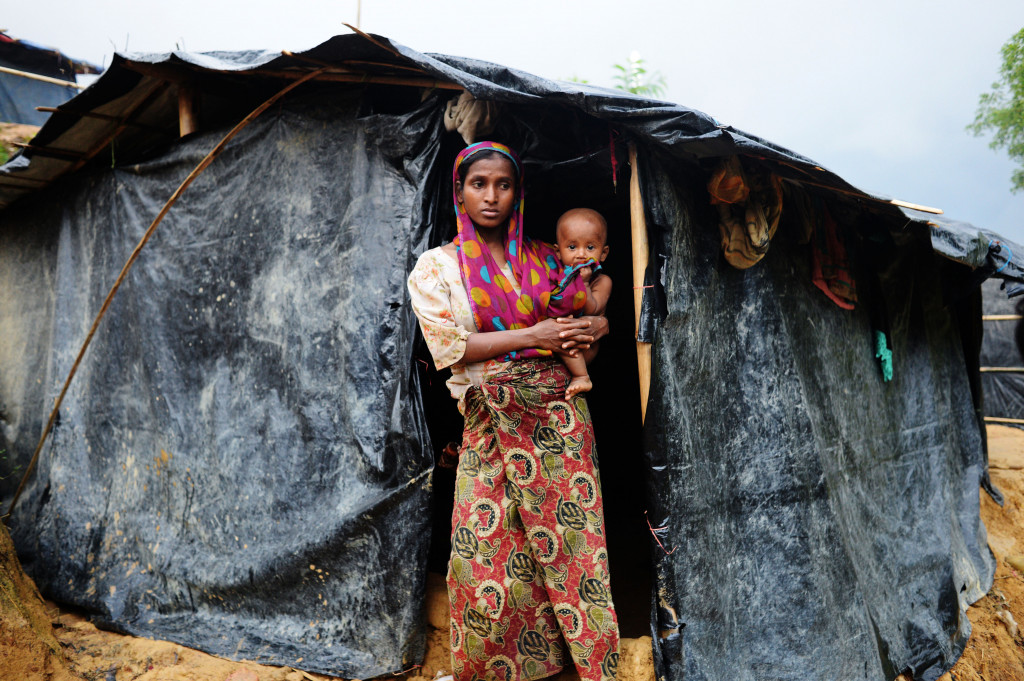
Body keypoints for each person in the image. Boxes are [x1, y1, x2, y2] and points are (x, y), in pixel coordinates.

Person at [407, 141, 620, 681]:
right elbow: (449, 348)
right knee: (483, 562)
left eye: (504, 185)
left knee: (572, 554)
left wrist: (595, 327)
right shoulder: (438, 268)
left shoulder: (551, 258)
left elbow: (584, 338)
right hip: (489, 419)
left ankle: (585, 670)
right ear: (459, 191)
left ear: (518, 193)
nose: (492, 196)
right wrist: (535, 334)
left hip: (558, 420)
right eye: (479, 184)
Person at [554, 208, 612, 398]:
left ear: (603, 253)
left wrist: (584, 284)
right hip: (561, 345)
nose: (581, 254)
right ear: (558, 252)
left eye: (590, 248)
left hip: (585, 346)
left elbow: (592, 309)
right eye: (572, 247)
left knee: (565, 335)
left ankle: (582, 376)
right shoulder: (559, 277)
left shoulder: (602, 281)